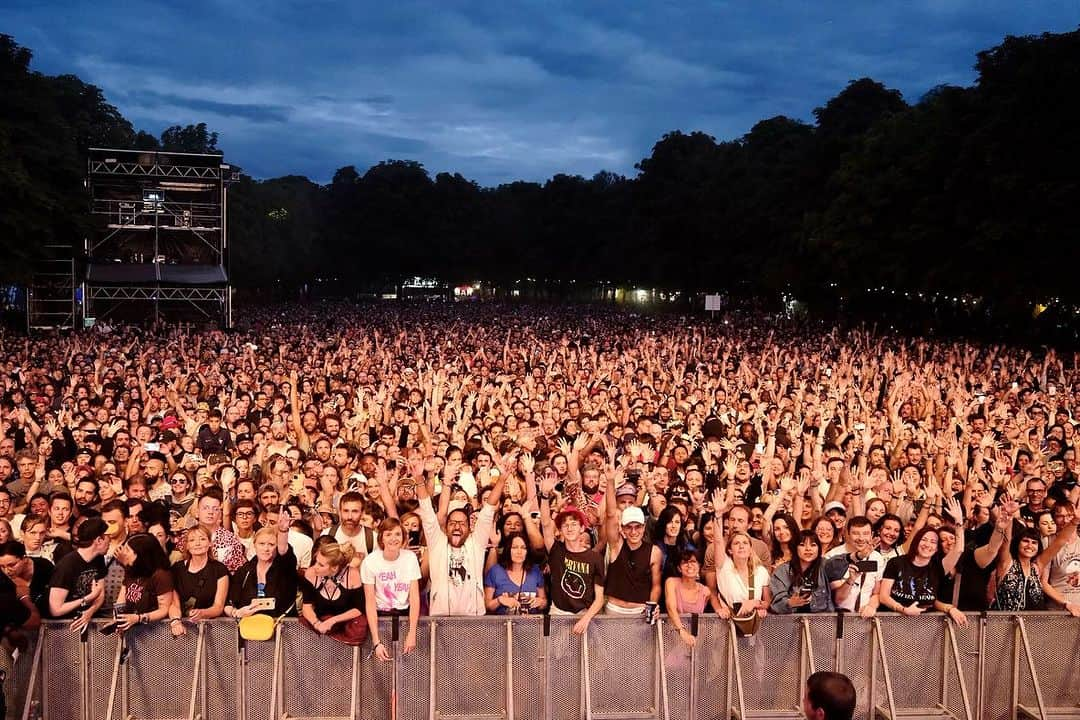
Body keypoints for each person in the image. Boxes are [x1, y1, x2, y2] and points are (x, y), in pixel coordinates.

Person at [413, 453, 504, 615]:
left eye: (462, 524)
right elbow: (427, 510)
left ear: (469, 528)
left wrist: (503, 478)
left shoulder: (476, 542)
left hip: (473, 620)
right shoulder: (437, 542)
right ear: (446, 527)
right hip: (440, 621)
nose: (457, 527)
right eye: (453, 523)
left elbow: (489, 507)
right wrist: (420, 479)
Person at [537, 472, 606, 634]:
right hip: (558, 613)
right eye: (565, 525)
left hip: (584, 614)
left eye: (574, 524)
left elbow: (600, 597)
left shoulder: (594, 557)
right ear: (560, 530)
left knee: (586, 658)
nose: (569, 528)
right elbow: (546, 524)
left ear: (582, 528)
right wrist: (545, 496)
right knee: (554, 657)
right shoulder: (556, 550)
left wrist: (586, 618)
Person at [878, 527, 966, 625]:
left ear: (937, 548)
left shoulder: (938, 567)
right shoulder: (896, 563)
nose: (927, 544)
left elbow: (959, 550)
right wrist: (903, 609)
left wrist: (950, 609)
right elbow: (883, 596)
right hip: (892, 623)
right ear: (916, 541)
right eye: (924, 539)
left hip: (924, 627)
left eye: (933, 542)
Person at [362, 517, 420, 660]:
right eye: (388, 534)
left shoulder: (410, 558)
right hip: (380, 617)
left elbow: (414, 598)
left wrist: (412, 633)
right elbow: (369, 603)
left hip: (404, 616)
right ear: (381, 538)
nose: (393, 539)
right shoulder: (370, 562)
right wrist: (376, 642)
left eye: (397, 534)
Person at [224, 509, 297, 619]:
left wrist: (282, 531)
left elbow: (283, 551)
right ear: (255, 544)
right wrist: (236, 613)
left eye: (271, 544)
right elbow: (229, 604)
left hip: (283, 630)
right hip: (249, 629)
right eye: (262, 544)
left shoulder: (285, 567)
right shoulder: (244, 571)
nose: (266, 548)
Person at [48, 517, 109, 632]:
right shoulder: (66, 566)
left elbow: (100, 593)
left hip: (89, 624)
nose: (110, 540)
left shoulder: (98, 559)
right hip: (65, 629)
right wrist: (87, 599)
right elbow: (55, 609)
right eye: (107, 536)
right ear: (99, 540)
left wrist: (90, 611)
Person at [168, 525, 229, 635]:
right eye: (192, 540)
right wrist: (175, 622)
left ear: (210, 543)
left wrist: (202, 613)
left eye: (202, 539)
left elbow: (218, 606)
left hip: (212, 630)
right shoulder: (177, 569)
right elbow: (174, 604)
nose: (197, 543)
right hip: (184, 629)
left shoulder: (219, 569)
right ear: (187, 545)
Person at [300, 540, 365, 642]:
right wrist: (317, 624)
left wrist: (332, 621)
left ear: (334, 568)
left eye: (321, 565)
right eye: (316, 561)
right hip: (320, 625)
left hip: (346, 623)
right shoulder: (311, 573)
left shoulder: (352, 574)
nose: (315, 567)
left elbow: (358, 609)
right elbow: (307, 606)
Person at [113, 532, 174, 631]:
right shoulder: (131, 569)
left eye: (127, 550)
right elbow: (121, 600)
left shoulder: (161, 575)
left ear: (141, 554)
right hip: (132, 632)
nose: (123, 553)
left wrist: (139, 618)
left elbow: (164, 609)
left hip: (156, 632)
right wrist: (117, 618)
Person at [663, 549, 718, 646]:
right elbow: (671, 608)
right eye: (684, 562)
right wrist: (682, 632)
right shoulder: (672, 583)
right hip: (673, 639)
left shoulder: (705, 591)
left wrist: (723, 609)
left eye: (693, 561)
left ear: (699, 566)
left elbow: (717, 600)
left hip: (695, 641)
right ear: (679, 568)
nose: (689, 565)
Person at [770, 531, 835, 613]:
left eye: (813, 545)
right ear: (795, 548)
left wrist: (851, 557)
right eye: (802, 545)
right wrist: (790, 603)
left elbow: (839, 564)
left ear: (819, 549)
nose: (808, 549)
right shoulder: (782, 571)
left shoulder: (825, 565)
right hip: (790, 622)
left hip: (822, 622)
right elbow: (775, 605)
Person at [484, 532, 546, 614]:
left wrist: (540, 602)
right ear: (508, 549)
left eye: (523, 548)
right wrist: (499, 600)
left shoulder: (535, 570)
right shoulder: (495, 571)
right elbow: (487, 605)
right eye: (515, 547)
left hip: (531, 624)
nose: (519, 552)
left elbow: (544, 602)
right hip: (503, 624)